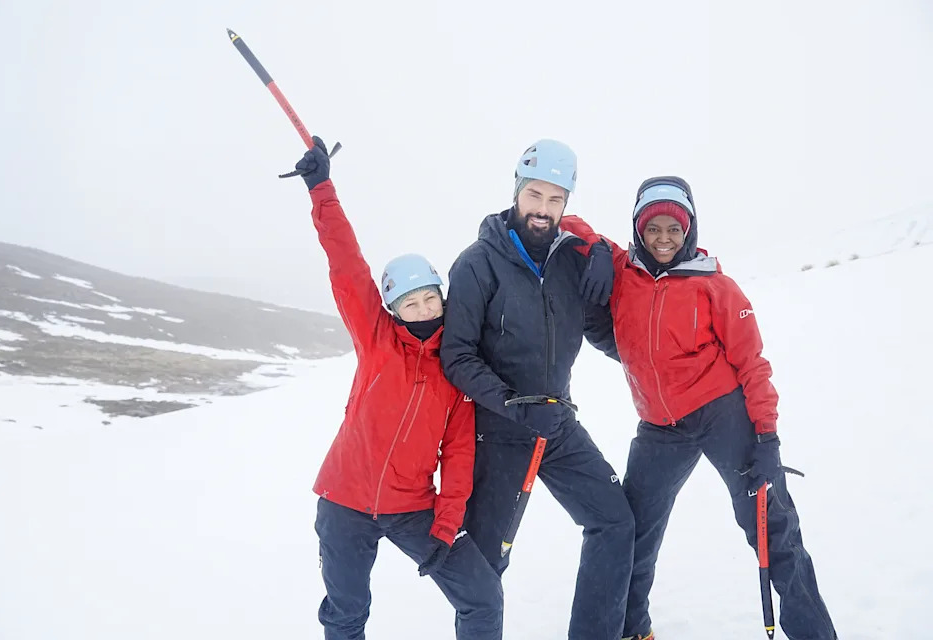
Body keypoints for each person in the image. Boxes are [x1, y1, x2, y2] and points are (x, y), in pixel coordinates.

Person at [561, 176, 837, 640]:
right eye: (653, 229)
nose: (664, 238)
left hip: (721, 415)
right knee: (634, 531)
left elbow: (753, 364)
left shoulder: (715, 286)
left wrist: (767, 438)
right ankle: (633, 628)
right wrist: (602, 252)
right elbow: (567, 223)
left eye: (674, 228)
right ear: (638, 230)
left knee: (774, 529)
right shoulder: (624, 272)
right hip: (658, 428)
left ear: (689, 231)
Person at [295, 137, 503, 640]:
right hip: (344, 500)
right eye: (411, 304)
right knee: (346, 614)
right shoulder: (375, 338)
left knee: (481, 597)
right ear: (392, 309)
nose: (424, 311)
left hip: (412, 506)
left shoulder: (456, 367)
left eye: (431, 299)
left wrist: (447, 522)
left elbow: (457, 454)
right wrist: (322, 190)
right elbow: (346, 265)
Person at [440, 139, 635, 640]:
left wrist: (660, 358)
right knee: (483, 567)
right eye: (535, 196)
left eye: (556, 200)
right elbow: (456, 356)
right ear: (517, 191)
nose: (543, 210)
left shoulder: (573, 262)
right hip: (498, 428)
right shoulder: (477, 263)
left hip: (557, 423)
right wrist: (515, 407)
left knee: (614, 521)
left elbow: (602, 333)